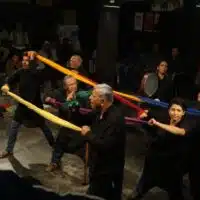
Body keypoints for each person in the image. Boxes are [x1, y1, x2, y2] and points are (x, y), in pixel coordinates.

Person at [128, 98, 195, 200]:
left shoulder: (187, 123)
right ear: (168, 111)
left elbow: (180, 132)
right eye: (173, 110)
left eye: (178, 110)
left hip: (172, 168)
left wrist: (157, 123)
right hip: (154, 163)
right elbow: (149, 123)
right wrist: (144, 118)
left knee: (176, 194)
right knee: (140, 189)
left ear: (183, 113)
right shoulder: (163, 118)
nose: (175, 113)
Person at [0, 51, 54, 158]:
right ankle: (9, 150)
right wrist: (6, 85)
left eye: (27, 61)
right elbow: (10, 80)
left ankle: (55, 148)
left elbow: (49, 71)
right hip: (22, 106)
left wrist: (38, 58)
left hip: (35, 106)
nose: (24, 63)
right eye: (23, 61)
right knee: (13, 127)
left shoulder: (37, 74)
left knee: (44, 127)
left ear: (31, 62)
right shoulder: (20, 72)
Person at [80, 83, 126, 200]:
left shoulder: (115, 119)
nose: (90, 98)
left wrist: (88, 134)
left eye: (93, 96)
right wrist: (72, 107)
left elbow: (105, 144)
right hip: (97, 167)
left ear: (102, 100)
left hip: (108, 171)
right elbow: (84, 118)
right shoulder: (99, 111)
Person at [44, 76, 91, 171]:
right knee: (59, 144)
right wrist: (48, 99)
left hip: (79, 125)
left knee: (83, 149)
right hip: (66, 124)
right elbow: (46, 96)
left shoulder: (82, 95)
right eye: (71, 84)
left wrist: (70, 100)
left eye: (75, 83)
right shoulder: (60, 93)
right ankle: (54, 163)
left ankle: (91, 168)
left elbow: (86, 112)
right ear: (65, 86)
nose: (74, 86)